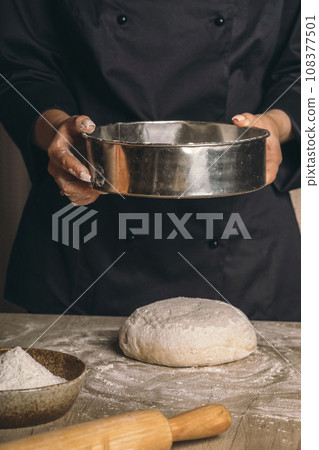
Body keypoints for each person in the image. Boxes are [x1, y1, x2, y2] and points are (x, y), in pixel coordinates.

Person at [0, 0, 300, 320]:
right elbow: (19, 63)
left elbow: (306, 70)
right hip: (86, 231)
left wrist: (277, 124)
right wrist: (57, 130)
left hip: (241, 246)